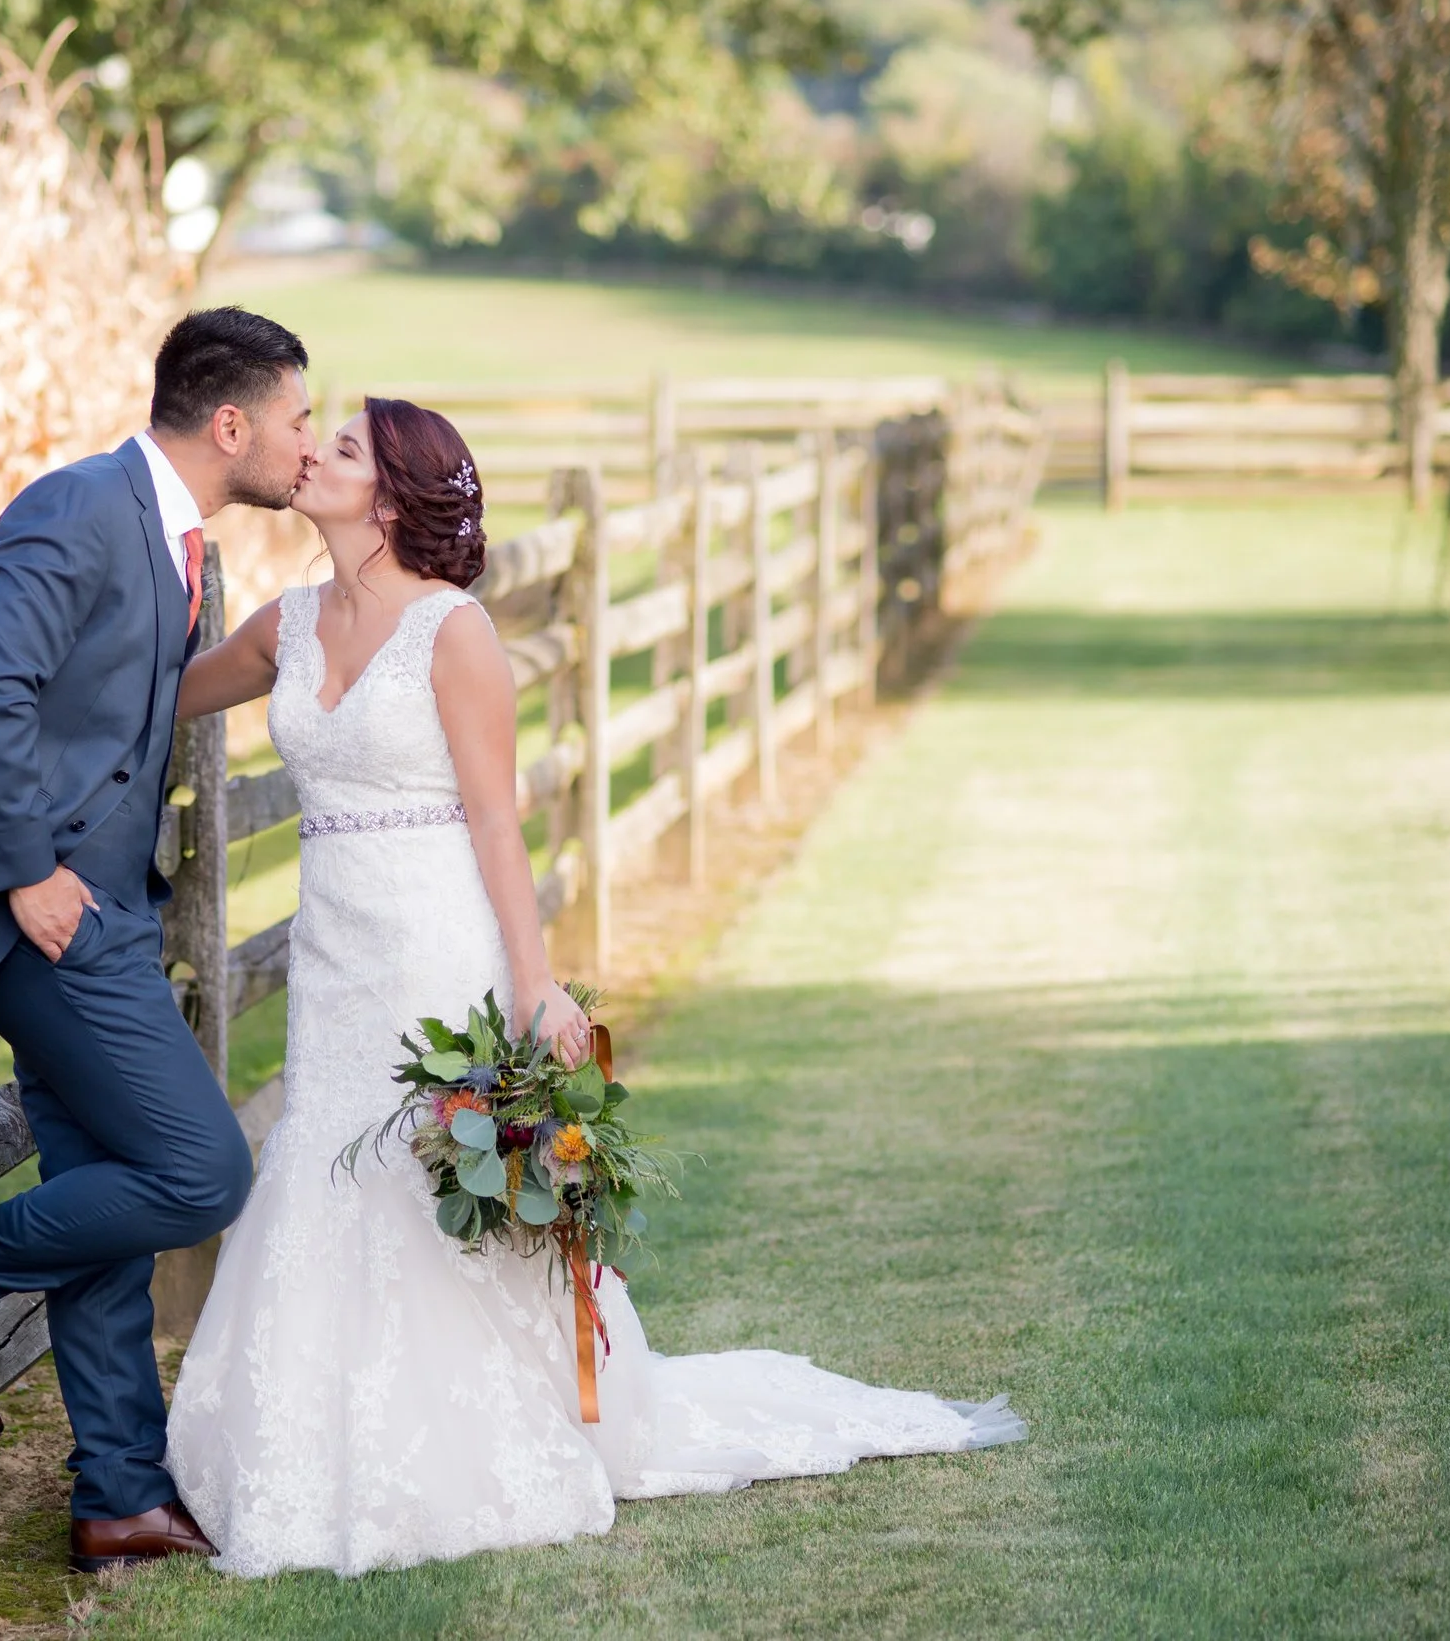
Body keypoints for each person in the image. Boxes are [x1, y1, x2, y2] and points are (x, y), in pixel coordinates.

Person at [160, 399, 1027, 1578]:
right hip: (333, 954)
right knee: (322, 1154)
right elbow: (159, 696)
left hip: (432, 946)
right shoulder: (286, 624)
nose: (311, 452)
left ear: (395, 497)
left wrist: (534, 986)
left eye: (346, 448)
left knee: (424, 1170)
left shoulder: (452, 633)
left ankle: (480, 1432)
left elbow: (496, 823)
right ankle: (303, 1442)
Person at [0, 307, 316, 1574]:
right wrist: (26, 873)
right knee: (201, 1172)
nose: (305, 442)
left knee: (101, 1204)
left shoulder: (171, 536)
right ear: (232, 424)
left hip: (104, 911)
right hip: (43, 920)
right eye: (296, 417)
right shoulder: (76, 506)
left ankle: (118, 1491)